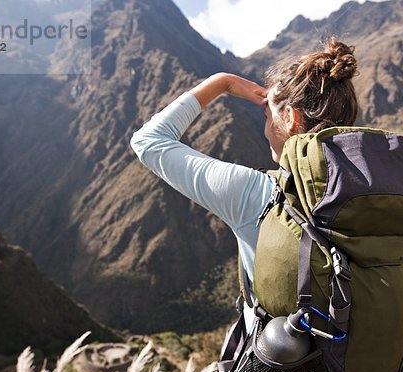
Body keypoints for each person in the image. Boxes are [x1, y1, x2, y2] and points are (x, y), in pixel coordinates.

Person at [130, 38, 359, 332]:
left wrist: (221, 83)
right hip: (382, 370)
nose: (265, 127)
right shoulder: (384, 189)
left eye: (268, 116)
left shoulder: (255, 194)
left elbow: (148, 142)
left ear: (290, 118)